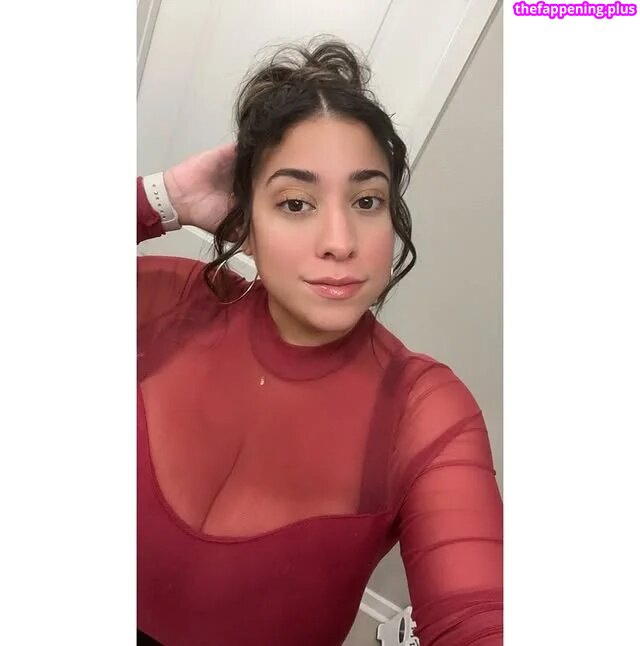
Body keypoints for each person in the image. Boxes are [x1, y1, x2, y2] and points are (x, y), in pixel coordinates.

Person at [137, 39, 503, 646]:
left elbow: (481, 618)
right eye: (296, 203)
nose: (340, 240)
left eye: (367, 200)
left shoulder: (425, 410)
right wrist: (162, 199)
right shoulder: (168, 301)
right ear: (244, 224)